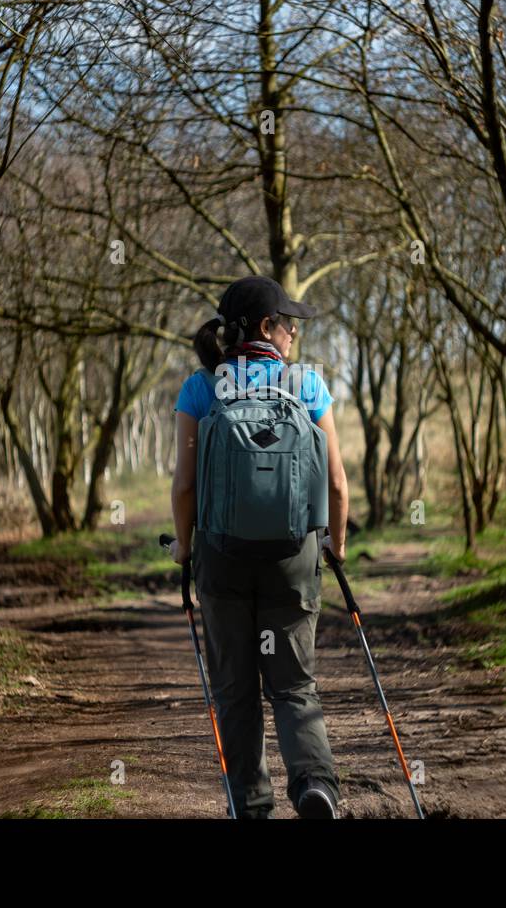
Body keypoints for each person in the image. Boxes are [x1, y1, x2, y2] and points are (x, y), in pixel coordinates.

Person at [169, 275, 348, 819]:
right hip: (292, 559)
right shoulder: (307, 385)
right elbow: (337, 482)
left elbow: (183, 486)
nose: (294, 332)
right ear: (266, 328)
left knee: (236, 690)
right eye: (288, 323)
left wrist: (184, 550)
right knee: (294, 684)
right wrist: (335, 547)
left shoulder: (200, 389)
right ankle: (315, 785)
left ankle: (251, 807)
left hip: (222, 559)